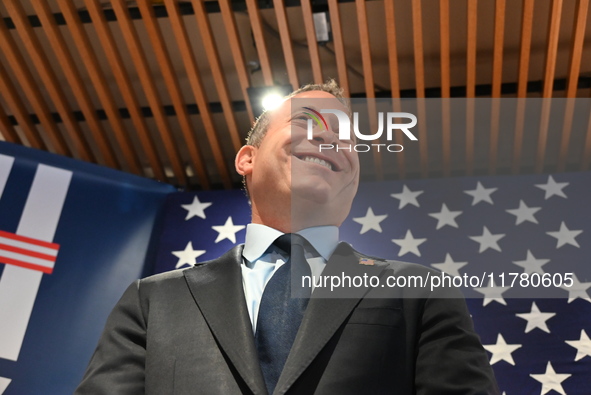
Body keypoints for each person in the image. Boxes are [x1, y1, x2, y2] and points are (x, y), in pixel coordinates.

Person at [75, 81, 499, 394]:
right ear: (247, 158)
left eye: (348, 138)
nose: (331, 138)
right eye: (308, 122)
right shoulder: (153, 301)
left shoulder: (418, 292)